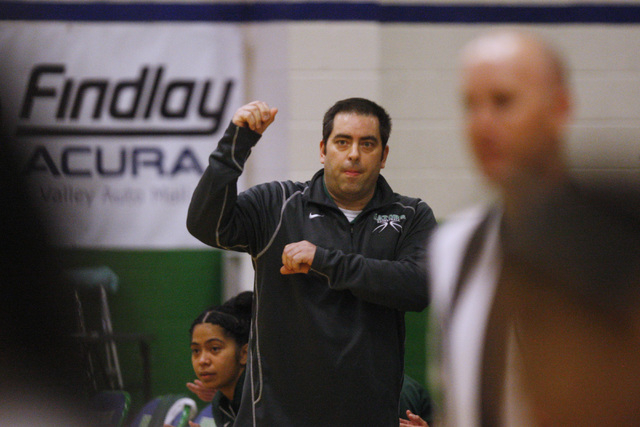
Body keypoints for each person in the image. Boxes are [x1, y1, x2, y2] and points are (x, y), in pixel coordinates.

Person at [428, 29, 640, 427]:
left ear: (559, 108)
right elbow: (454, 395)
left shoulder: (615, 238)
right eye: (469, 105)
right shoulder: (453, 244)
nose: (482, 124)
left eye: (503, 101)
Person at [187, 97, 437, 425]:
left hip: (367, 417)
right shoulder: (275, 204)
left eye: (368, 144)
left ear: (384, 155)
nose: (353, 154)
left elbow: (420, 287)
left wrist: (325, 261)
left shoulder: (410, 216)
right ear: (323, 150)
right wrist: (235, 144)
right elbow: (205, 224)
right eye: (342, 142)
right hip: (275, 418)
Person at [186, 291, 252, 427]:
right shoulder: (220, 401)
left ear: (244, 353)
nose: (202, 360)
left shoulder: (262, 397)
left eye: (214, 348)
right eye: (196, 350)